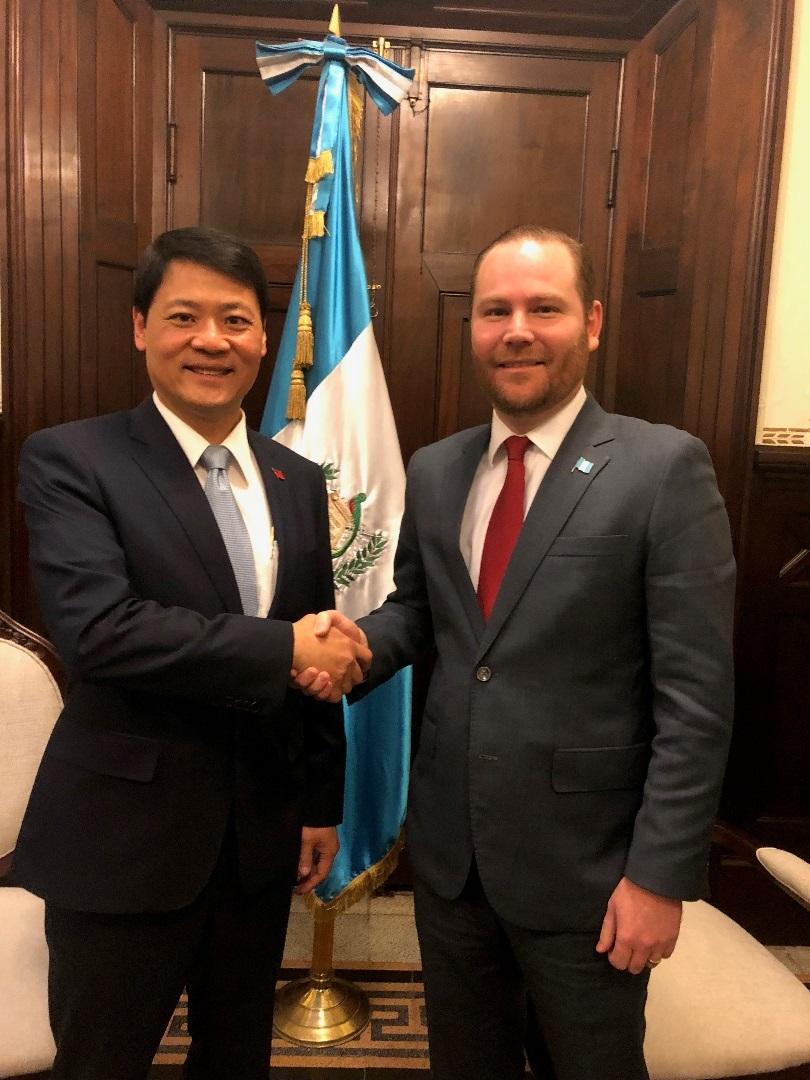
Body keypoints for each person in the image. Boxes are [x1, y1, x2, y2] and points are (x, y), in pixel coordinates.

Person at [297, 226, 736, 1080]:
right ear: (474, 328)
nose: (517, 331)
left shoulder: (663, 468)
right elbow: (421, 612)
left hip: (591, 872)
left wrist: (659, 877)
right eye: (495, 310)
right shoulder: (437, 469)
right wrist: (354, 647)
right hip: (453, 858)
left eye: (545, 308)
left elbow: (697, 700)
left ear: (593, 322)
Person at [14, 226, 371, 1080]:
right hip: (123, 841)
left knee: (236, 1055)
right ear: (141, 326)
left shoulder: (295, 479)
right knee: (101, 1061)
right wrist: (283, 646)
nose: (212, 340)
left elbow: (315, 650)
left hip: (259, 839)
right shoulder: (72, 458)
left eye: (236, 320)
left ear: (264, 339)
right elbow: (101, 630)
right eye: (184, 317)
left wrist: (319, 802)